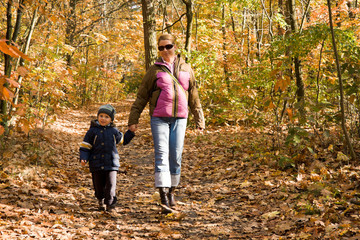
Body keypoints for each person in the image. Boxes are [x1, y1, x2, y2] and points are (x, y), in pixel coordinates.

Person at [128, 33, 205, 213]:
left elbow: (193, 95)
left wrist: (199, 119)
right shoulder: (154, 70)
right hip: (159, 118)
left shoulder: (186, 68)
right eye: (161, 48)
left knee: (176, 156)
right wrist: (133, 119)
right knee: (162, 155)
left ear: (174, 47)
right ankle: (163, 195)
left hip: (180, 118)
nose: (165, 50)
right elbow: (142, 96)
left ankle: (172, 191)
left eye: (168, 46)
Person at [80, 104, 135, 211]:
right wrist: (84, 157)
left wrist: (131, 132)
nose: (103, 119)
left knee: (110, 185)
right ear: (97, 117)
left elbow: (123, 140)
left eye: (106, 117)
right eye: (101, 116)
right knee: (98, 186)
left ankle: (110, 205)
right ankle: (100, 200)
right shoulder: (92, 131)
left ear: (111, 119)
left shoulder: (114, 131)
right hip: (96, 164)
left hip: (111, 164)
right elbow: (85, 146)